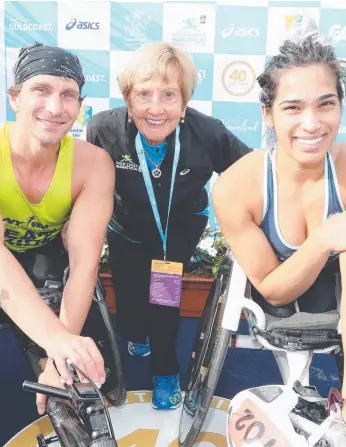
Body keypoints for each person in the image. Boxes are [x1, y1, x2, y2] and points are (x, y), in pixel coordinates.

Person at [212, 32, 346, 447]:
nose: (312, 123)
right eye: (292, 107)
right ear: (267, 114)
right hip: (282, 284)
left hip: (337, 284)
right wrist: (323, 237)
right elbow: (272, 287)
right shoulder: (235, 187)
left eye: (326, 104)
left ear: (340, 106)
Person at [0, 43, 113, 414]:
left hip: (47, 252)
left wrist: (58, 359)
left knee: (105, 383)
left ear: (79, 105)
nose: (55, 107)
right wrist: (57, 341)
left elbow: (84, 265)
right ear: (15, 97)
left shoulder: (93, 163)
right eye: (42, 90)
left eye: (68, 95)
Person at [86, 42, 251, 410]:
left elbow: (251, 174)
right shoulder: (101, 129)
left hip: (178, 229)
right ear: (128, 100)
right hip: (125, 225)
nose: (156, 108)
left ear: (184, 101)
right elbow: (88, 184)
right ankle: (135, 330)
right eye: (143, 94)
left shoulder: (208, 132)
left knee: (164, 293)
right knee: (128, 292)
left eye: (169, 95)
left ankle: (165, 370)